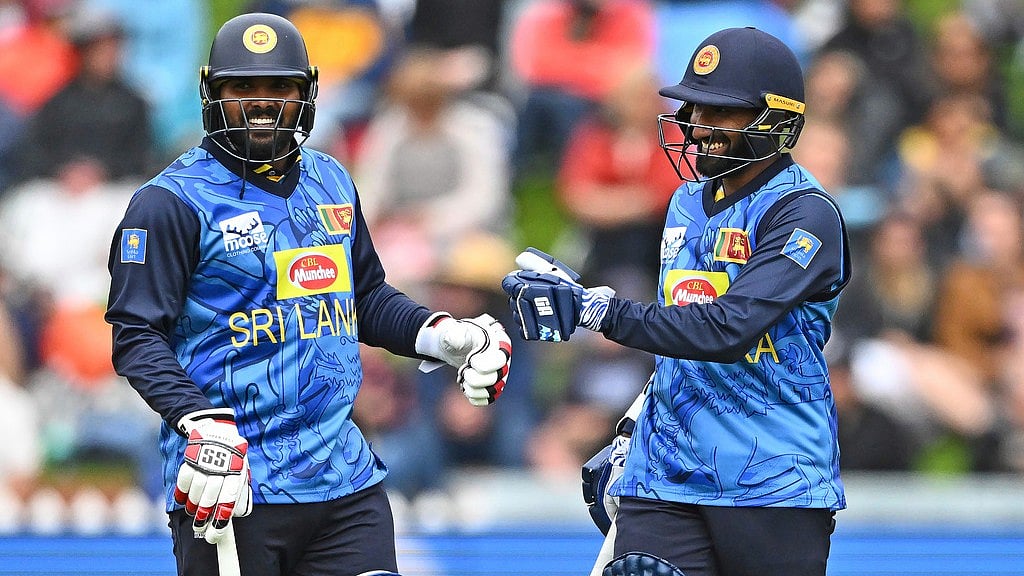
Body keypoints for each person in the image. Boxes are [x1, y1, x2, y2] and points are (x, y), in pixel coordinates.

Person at [104, 13, 512, 576]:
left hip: (344, 480)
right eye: (241, 87)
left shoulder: (332, 178)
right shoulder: (168, 203)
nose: (262, 102)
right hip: (232, 480)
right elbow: (136, 337)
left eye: (280, 87)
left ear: (308, 94)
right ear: (211, 92)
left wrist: (438, 335)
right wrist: (200, 420)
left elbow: (363, 295)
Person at [502, 27, 851, 576]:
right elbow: (674, 330)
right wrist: (633, 426)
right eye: (694, 107)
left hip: (771, 480)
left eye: (721, 112)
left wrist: (597, 310)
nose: (698, 124)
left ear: (776, 121)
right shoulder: (685, 201)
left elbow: (725, 329)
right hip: (667, 469)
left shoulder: (805, 215)